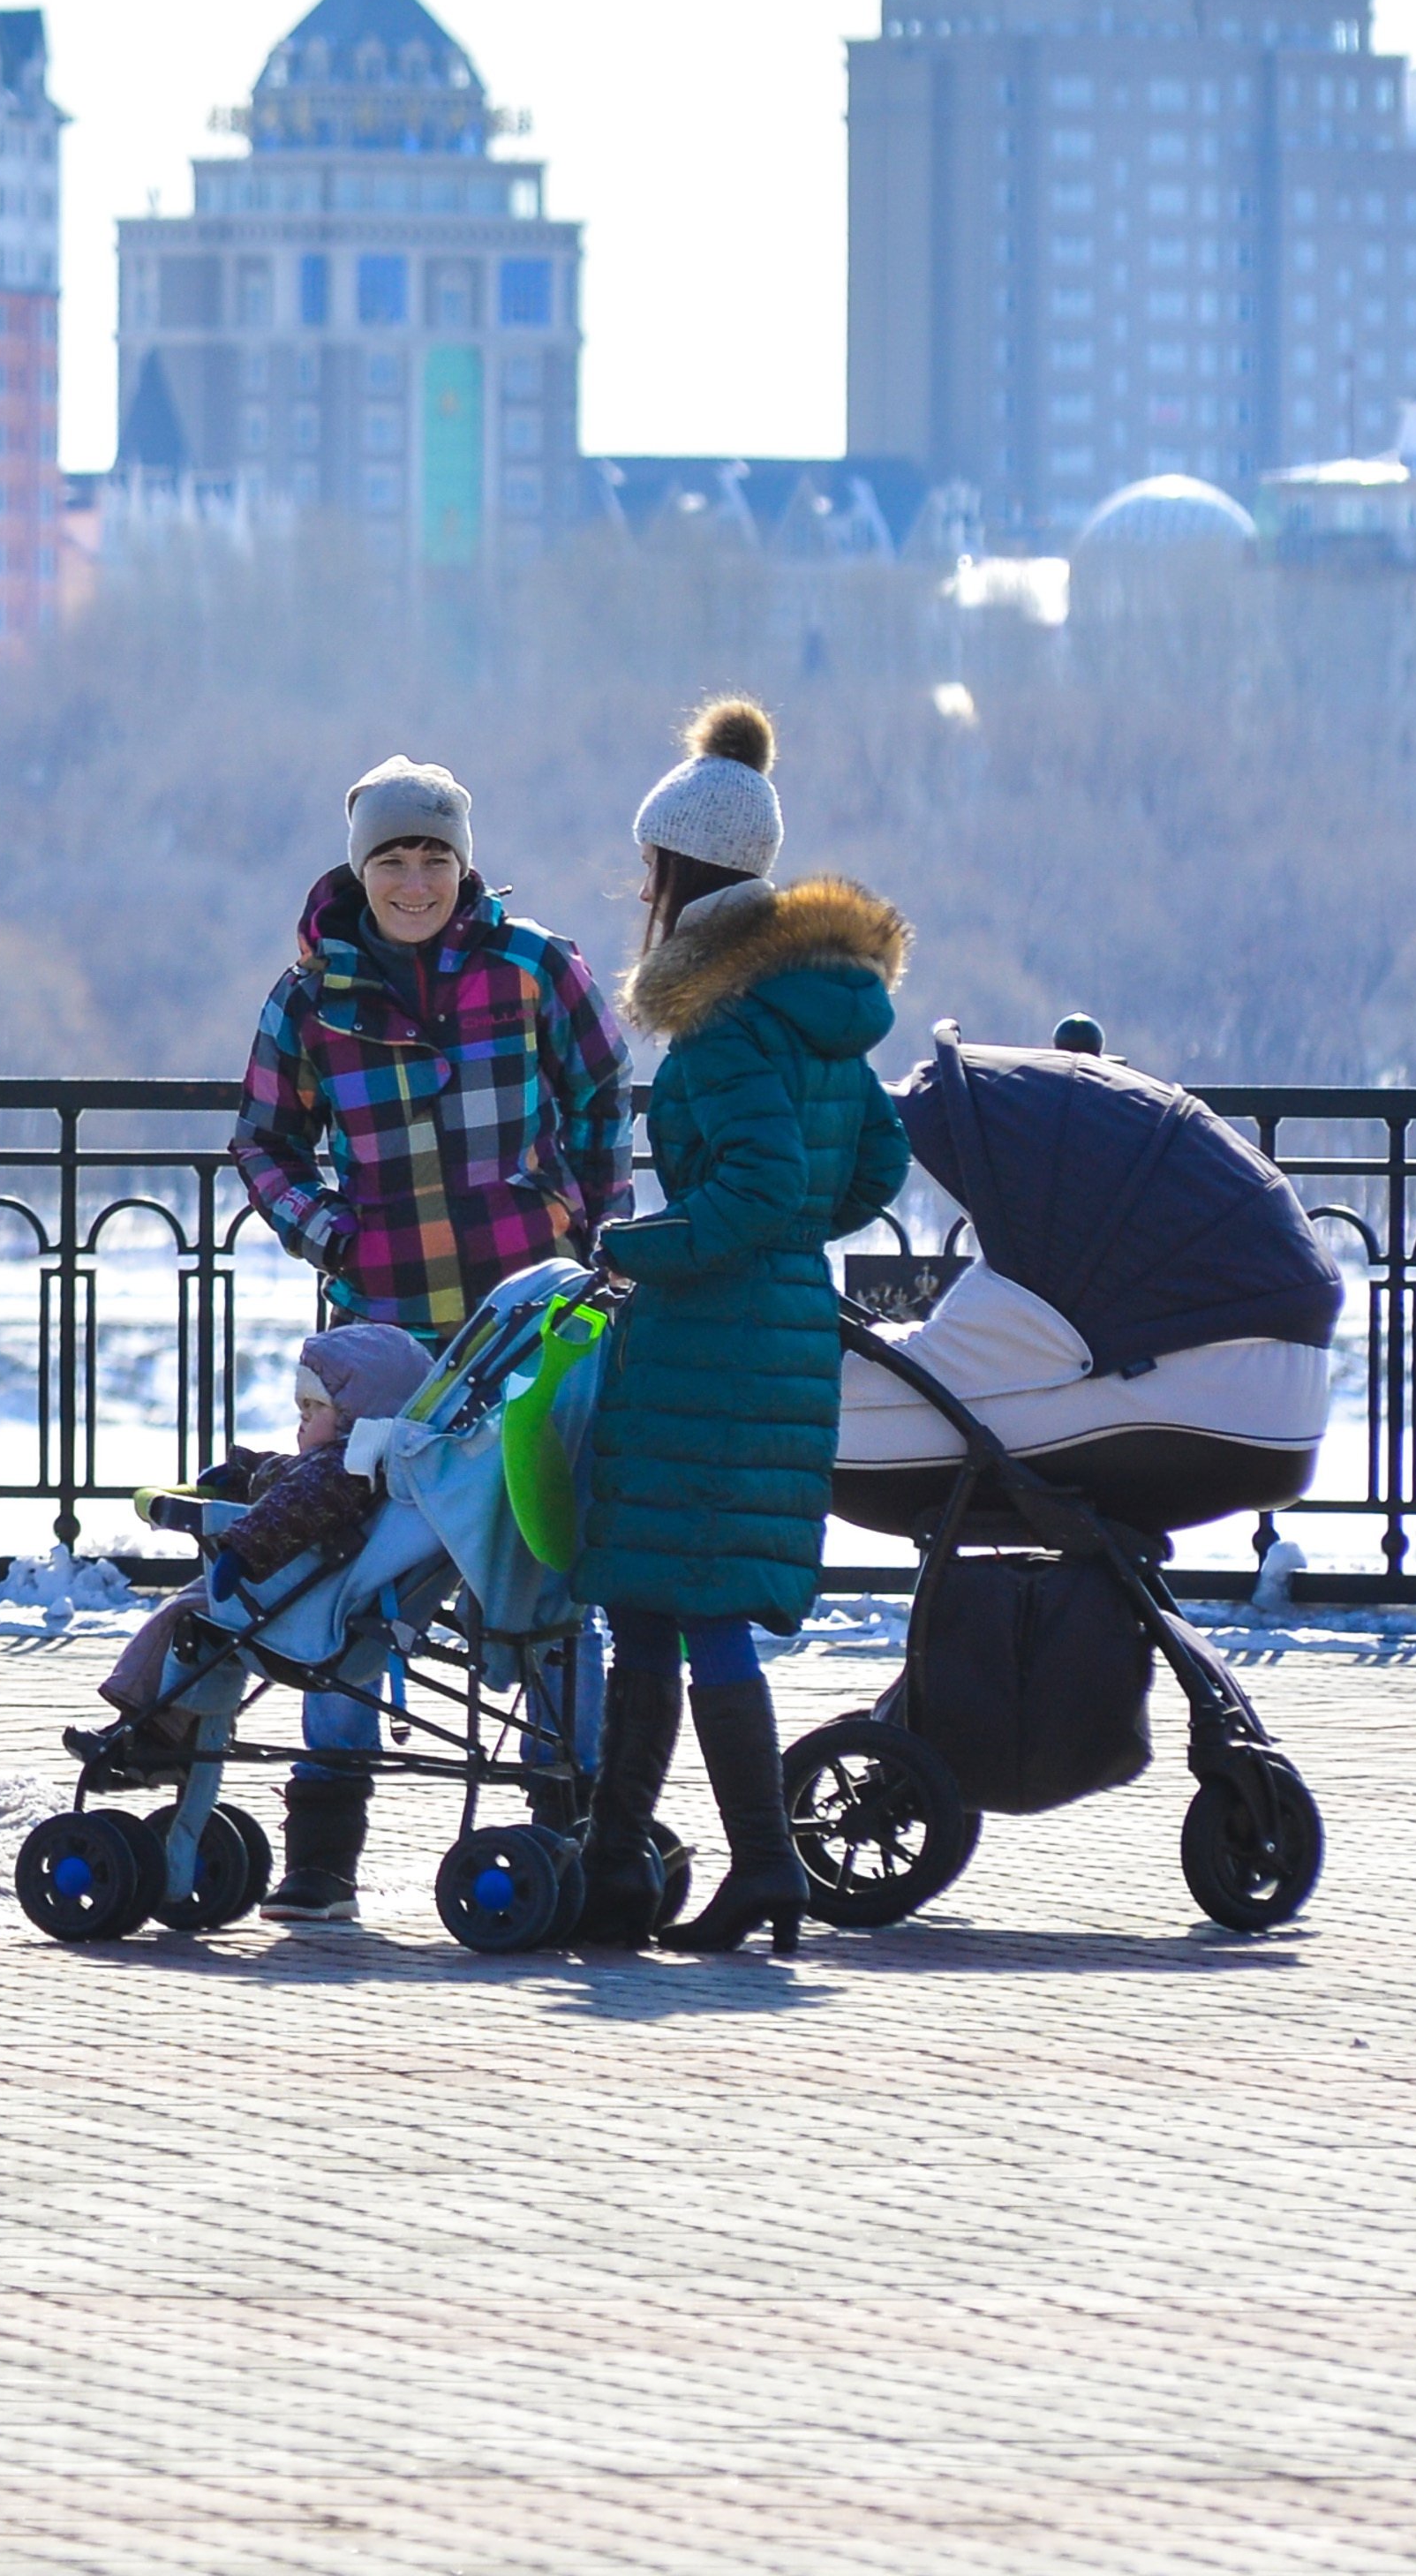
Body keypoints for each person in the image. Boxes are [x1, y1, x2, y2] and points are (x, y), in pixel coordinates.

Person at [230, 757, 630, 1918]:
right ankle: (323, 1848)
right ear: (363, 870)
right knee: (347, 1580)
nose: (416, 881)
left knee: (553, 1575)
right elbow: (261, 1139)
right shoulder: (313, 994)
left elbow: (606, 1090)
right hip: (386, 1329)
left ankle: (578, 1822)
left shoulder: (536, 968)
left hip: (531, 1336)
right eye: (395, 861)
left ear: (466, 863)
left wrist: (580, 1222)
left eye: (436, 858)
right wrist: (329, 1232)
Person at [570, 699, 909, 1952]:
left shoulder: (718, 1029)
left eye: (648, 866)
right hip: (781, 1332)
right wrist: (790, 1233)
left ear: (677, 873)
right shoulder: (814, 1012)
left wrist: (636, 1245)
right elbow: (873, 1164)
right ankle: (625, 1869)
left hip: (707, 1342)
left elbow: (754, 1192)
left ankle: (745, 1867)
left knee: (677, 1609)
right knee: (663, 1607)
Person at [89, 1323, 438, 1922]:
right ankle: (165, 1735)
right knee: (205, 1629)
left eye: (315, 1408)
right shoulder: (375, 1464)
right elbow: (288, 1483)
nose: (302, 1421)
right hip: (334, 1614)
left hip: (295, 1619)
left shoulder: (339, 1470)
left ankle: (140, 1726)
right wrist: (247, 1472)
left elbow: (292, 1511)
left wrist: (240, 1549)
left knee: (187, 1617)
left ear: (355, 1416)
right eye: (300, 1407)